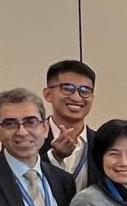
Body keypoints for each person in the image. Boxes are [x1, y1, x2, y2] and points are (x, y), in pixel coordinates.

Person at [41, 59, 97, 191]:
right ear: (48, 94)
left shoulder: (101, 143)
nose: (77, 98)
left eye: (85, 90)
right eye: (67, 89)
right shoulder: (29, 138)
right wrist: (54, 157)